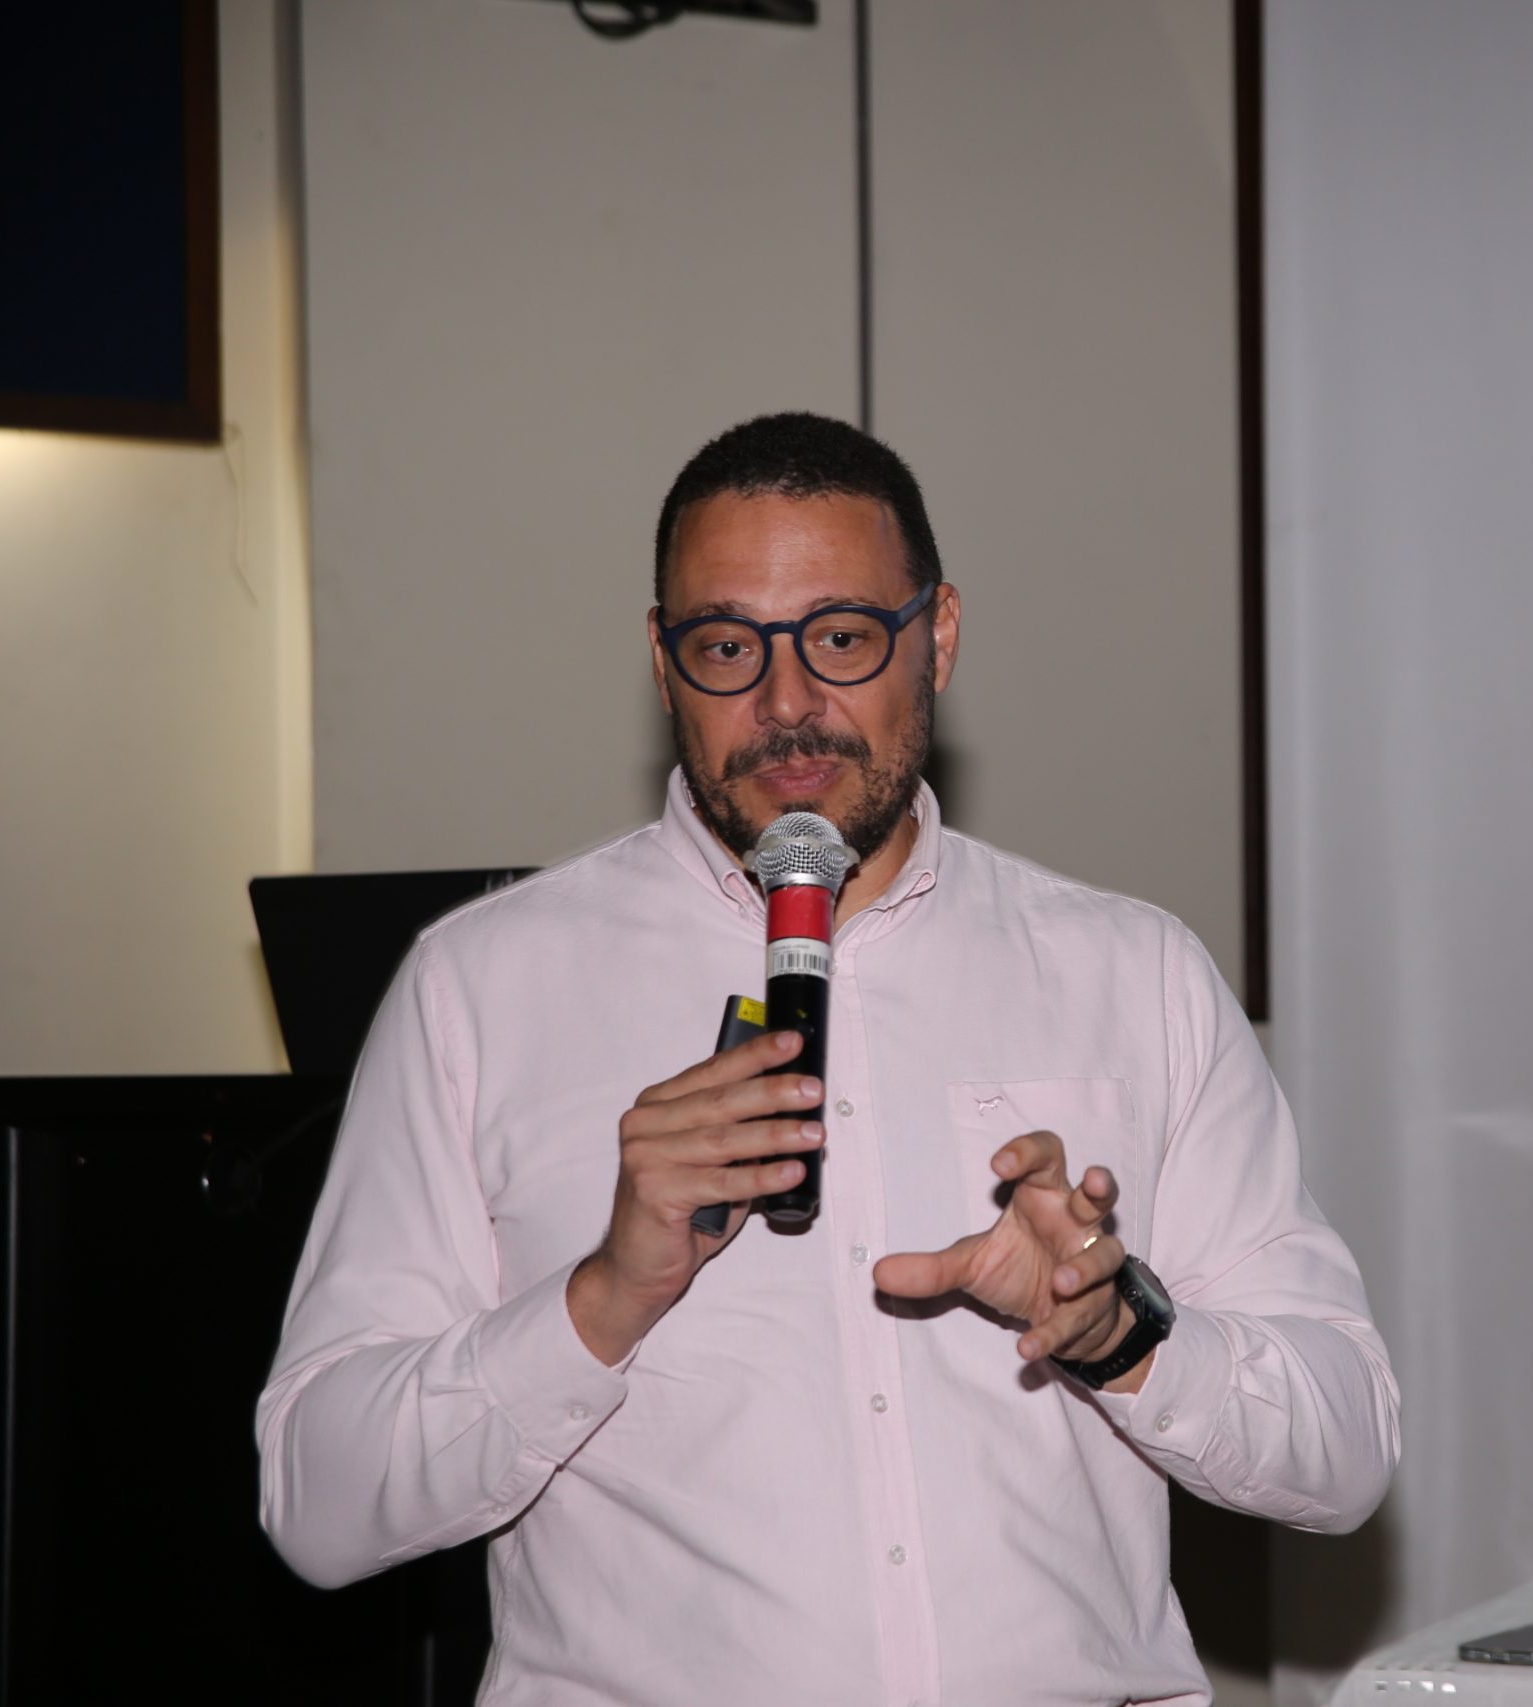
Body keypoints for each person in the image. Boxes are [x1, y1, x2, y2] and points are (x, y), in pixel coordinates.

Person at [257, 411, 1399, 1705]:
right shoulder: (483, 988)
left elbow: (1346, 1451)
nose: (787, 705)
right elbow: (317, 1501)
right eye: (727, 647)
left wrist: (1118, 1330)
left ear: (939, 637)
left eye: (843, 637)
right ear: (662, 662)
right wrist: (603, 1298)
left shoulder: (1131, 973)